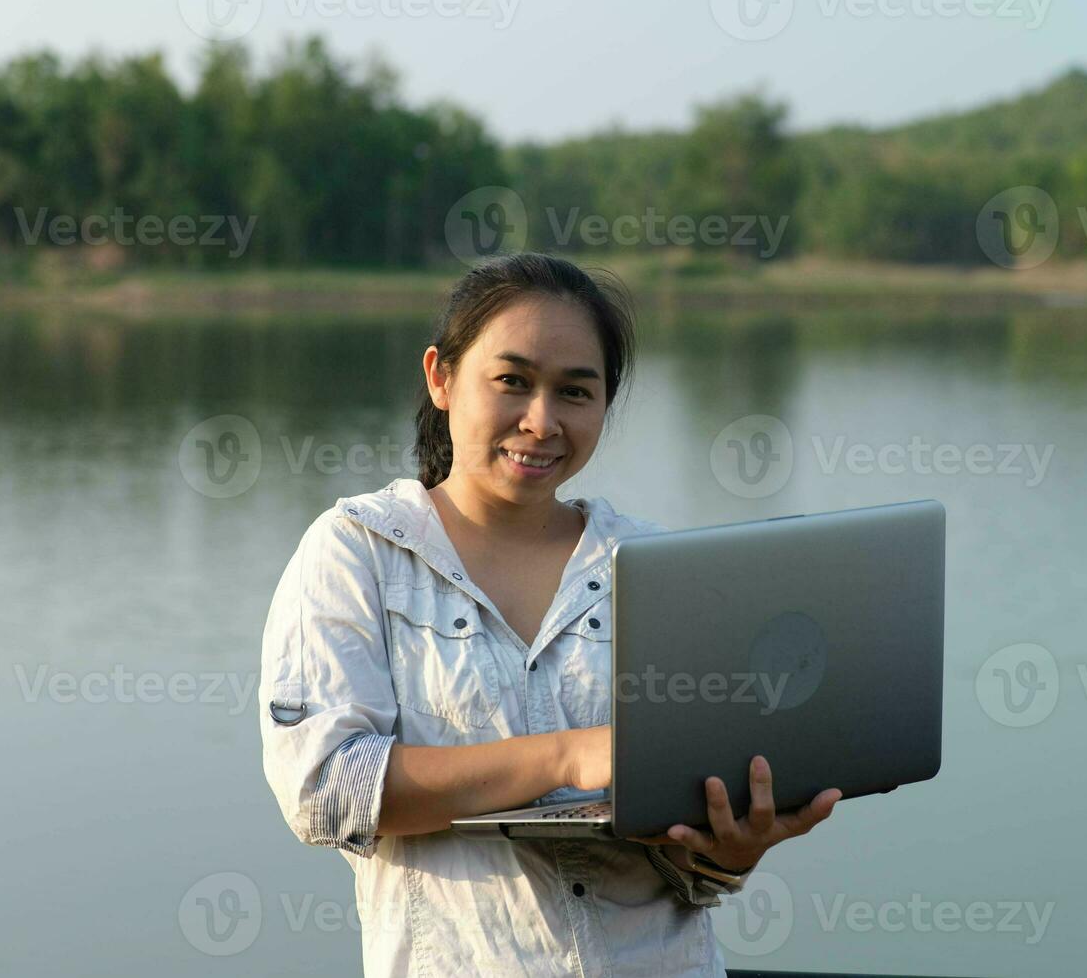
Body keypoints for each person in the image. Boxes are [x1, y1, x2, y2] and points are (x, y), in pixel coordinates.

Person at [259, 252, 842, 976]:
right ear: (441, 377)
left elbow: (688, 874)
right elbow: (325, 790)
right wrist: (569, 756)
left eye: (575, 392)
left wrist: (731, 849)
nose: (541, 421)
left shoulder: (654, 565)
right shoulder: (360, 552)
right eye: (512, 381)